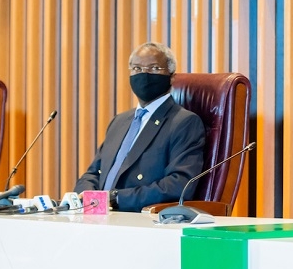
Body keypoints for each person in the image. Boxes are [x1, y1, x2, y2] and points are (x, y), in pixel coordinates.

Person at [74, 42, 205, 212]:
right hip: (96, 215)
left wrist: (115, 198)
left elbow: (178, 184)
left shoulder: (184, 122)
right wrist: (88, 195)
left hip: (137, 218)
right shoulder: (119, 121)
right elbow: (94, 173)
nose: (144, 74)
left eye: (154, 68)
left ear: (172, 76)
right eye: (137, 68)